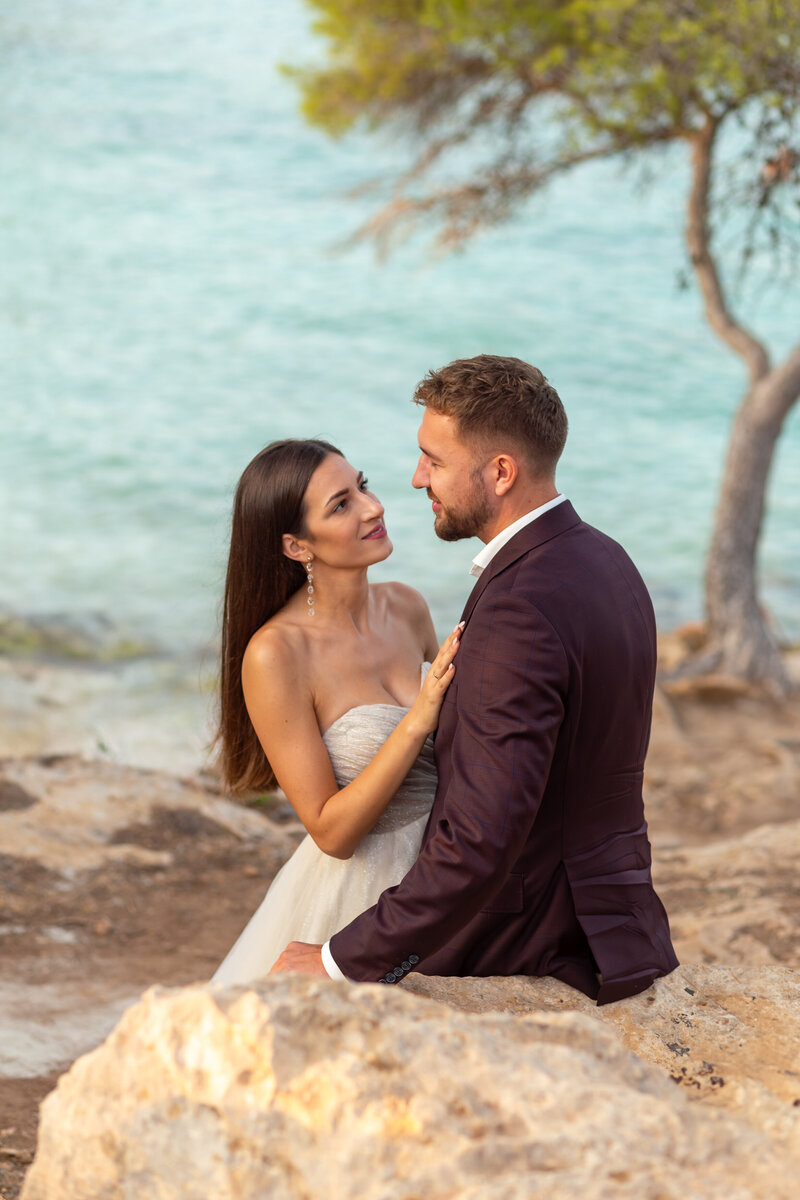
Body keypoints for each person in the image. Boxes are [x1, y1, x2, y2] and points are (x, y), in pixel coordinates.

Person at [272, 355, 679, 1005]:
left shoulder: (517, 609)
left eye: (433, 460)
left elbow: (480, 844)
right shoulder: (607, 560)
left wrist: (338, 960)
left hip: (528, 942)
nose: (414, 479)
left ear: (499, 472)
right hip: (623, 922)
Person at [211, 438, 461, 985]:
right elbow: (332, 833)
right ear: (297, 546)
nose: (374, 507)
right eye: (341, 504)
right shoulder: (276, 654)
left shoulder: (407, 606)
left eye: (363, 486)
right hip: (357, 901)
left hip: (446, 879)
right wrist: (418, 718)